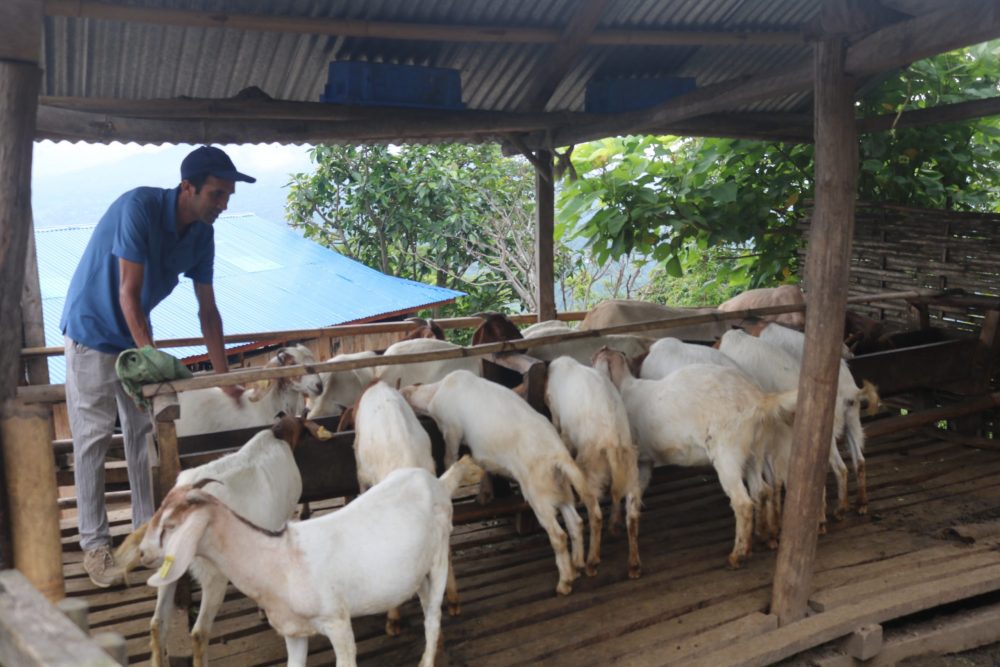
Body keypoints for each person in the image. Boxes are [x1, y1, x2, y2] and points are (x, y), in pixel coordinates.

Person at [60, 145, 254, 587]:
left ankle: (150, 536)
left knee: (141, 435)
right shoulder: (139, 208)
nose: (223, 205)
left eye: (228, 197)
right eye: (216, 195)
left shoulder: (202, 233)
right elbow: (129, 292)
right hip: (92, 332)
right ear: (188, 187)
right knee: (91, 441)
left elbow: (208, 311)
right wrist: (149, 355)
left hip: (134, 334)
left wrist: (224, 378)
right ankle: (95, 549)